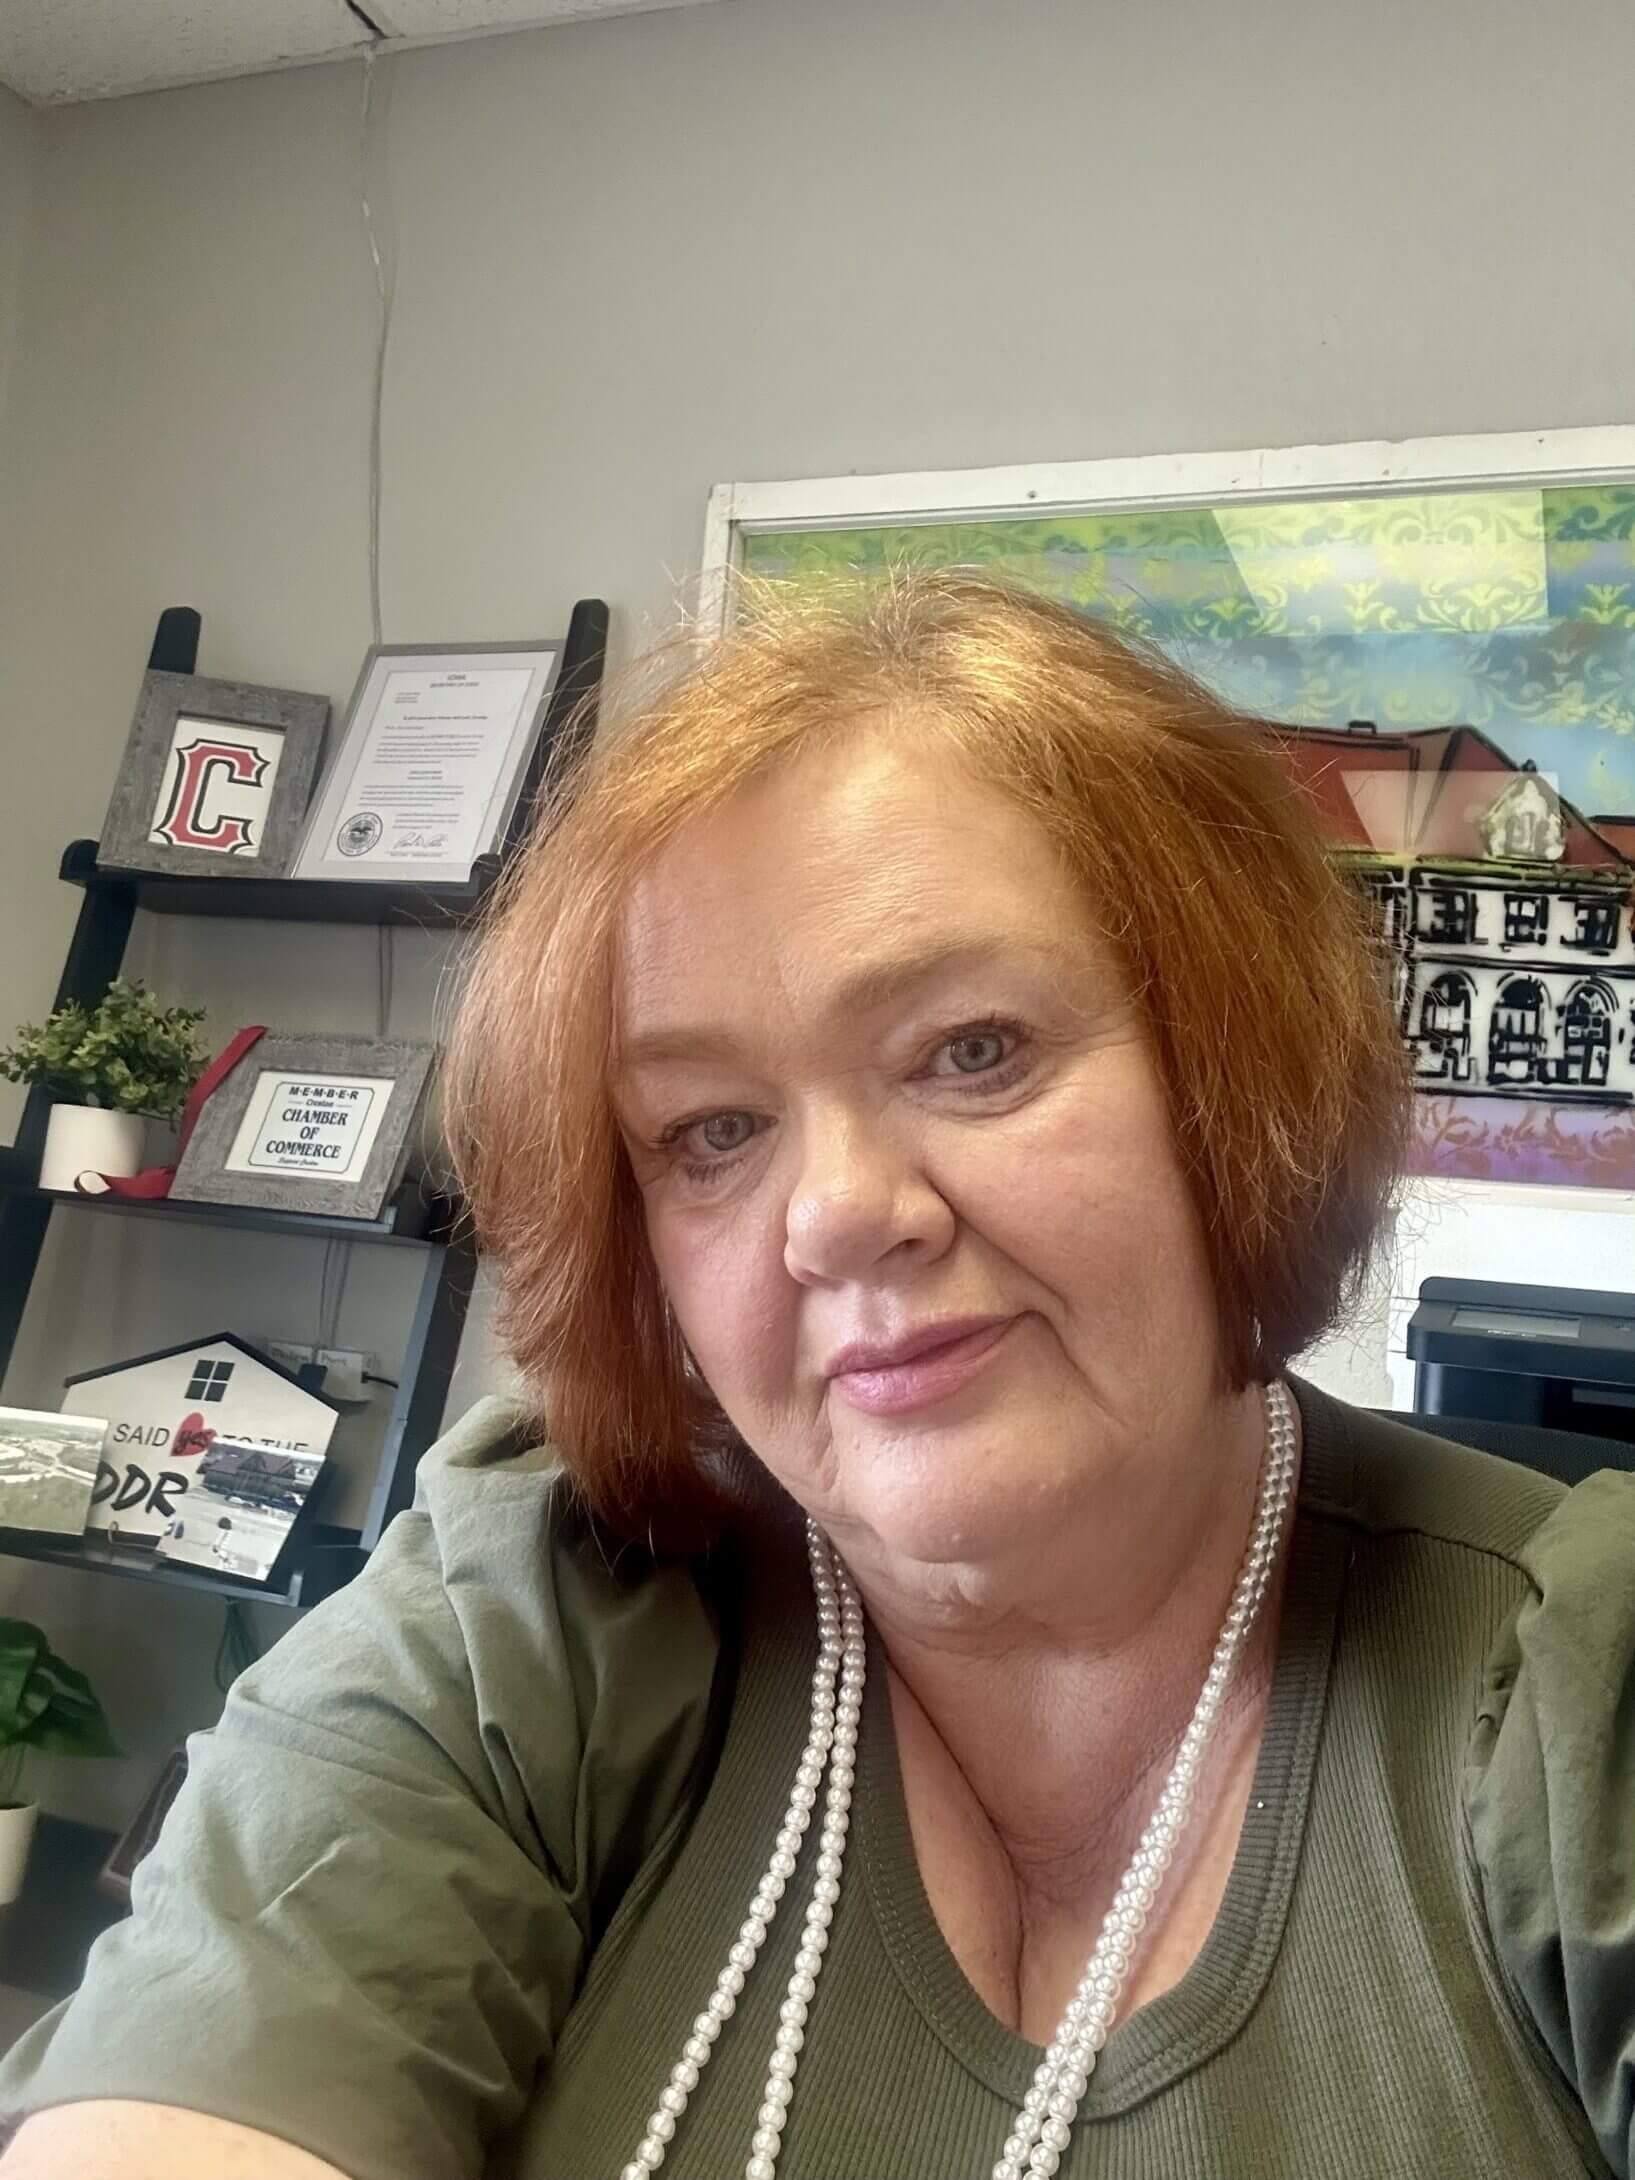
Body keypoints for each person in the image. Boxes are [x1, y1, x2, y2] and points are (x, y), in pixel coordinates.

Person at [3, 574, 1632, 2180]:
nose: (840, 1215)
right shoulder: (533, 1630)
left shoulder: (1577, 1688)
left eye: (972, 1049)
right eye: (711, 1130)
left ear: (1229, 1074)